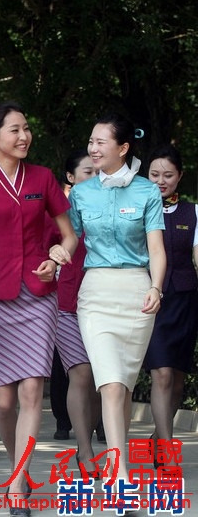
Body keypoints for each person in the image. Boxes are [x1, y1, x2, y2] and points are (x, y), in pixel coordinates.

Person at [0, 101, 77, 516]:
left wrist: (57, 256)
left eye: (26, 128)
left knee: (30, 393)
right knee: (2, 402)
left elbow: (68, 236)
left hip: (38, 294)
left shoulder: (42, 177)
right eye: (14, 130)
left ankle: (19, 485)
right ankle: (15, 465)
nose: (23, 136)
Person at [67, 113, 165, 489]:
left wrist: (156, 287)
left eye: (101, 142)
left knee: (121, 385)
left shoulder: (147, 192)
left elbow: (156, 249)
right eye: (91, 142)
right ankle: (119, 475)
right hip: (95, 294)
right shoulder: (80, 192)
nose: (92, 148)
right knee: (108, 384)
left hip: (136, 294)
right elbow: (72, 239)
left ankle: (117, 464)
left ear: (122, 148)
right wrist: (58, 253)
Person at [46, 149, 100, 477]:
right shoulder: (57, 212)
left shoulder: (112, 206)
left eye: (98, 172)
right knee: (80, 374)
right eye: (87, 172)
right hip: (66, 303)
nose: (95, 178)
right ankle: (85, 449)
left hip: (105, 303)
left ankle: (90, 436)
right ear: (71, 177)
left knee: (98, 380)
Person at [143, 144, 196, 466]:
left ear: (180, 177)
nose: (161, 181)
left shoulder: (194, 212)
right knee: (161, 373)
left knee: (177, 378)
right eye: (154, 175)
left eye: (168, 175)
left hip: (187, 300)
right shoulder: (137, 209)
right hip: (151, 299)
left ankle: (157, 438)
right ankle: (166, 450)